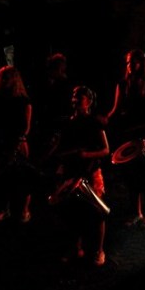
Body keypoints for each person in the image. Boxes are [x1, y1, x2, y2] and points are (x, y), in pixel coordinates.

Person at [47, 85, 111, 266]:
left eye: (79, 97)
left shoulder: (94, 123)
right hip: (71, 171)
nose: (75, 100)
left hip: (91, 172)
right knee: (73, 212)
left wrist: (86, 155)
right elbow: (61, 149)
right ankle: (76, 247)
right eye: (74, 96)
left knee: (98, 211)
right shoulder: (67, 123)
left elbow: (106, 150)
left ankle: (99, 250)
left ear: (88, 102)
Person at [104, 49, 145, 227]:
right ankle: (136, 212)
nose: (130, 66)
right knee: (132, 175)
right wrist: (105, 120)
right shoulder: (123, 85)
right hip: (129, 133)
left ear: (141, 64)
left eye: (133, 62)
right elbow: (115, 110)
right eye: (128, 62)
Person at [0, 64, 35, 225]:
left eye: (5, 78)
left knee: (23, 177)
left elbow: (26, 125)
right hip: (3, 142)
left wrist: (19, 141)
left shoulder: (23, 101)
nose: (2, 81)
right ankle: (5, 208)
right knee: (4, 178)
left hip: (18, 142)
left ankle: (25, 209)